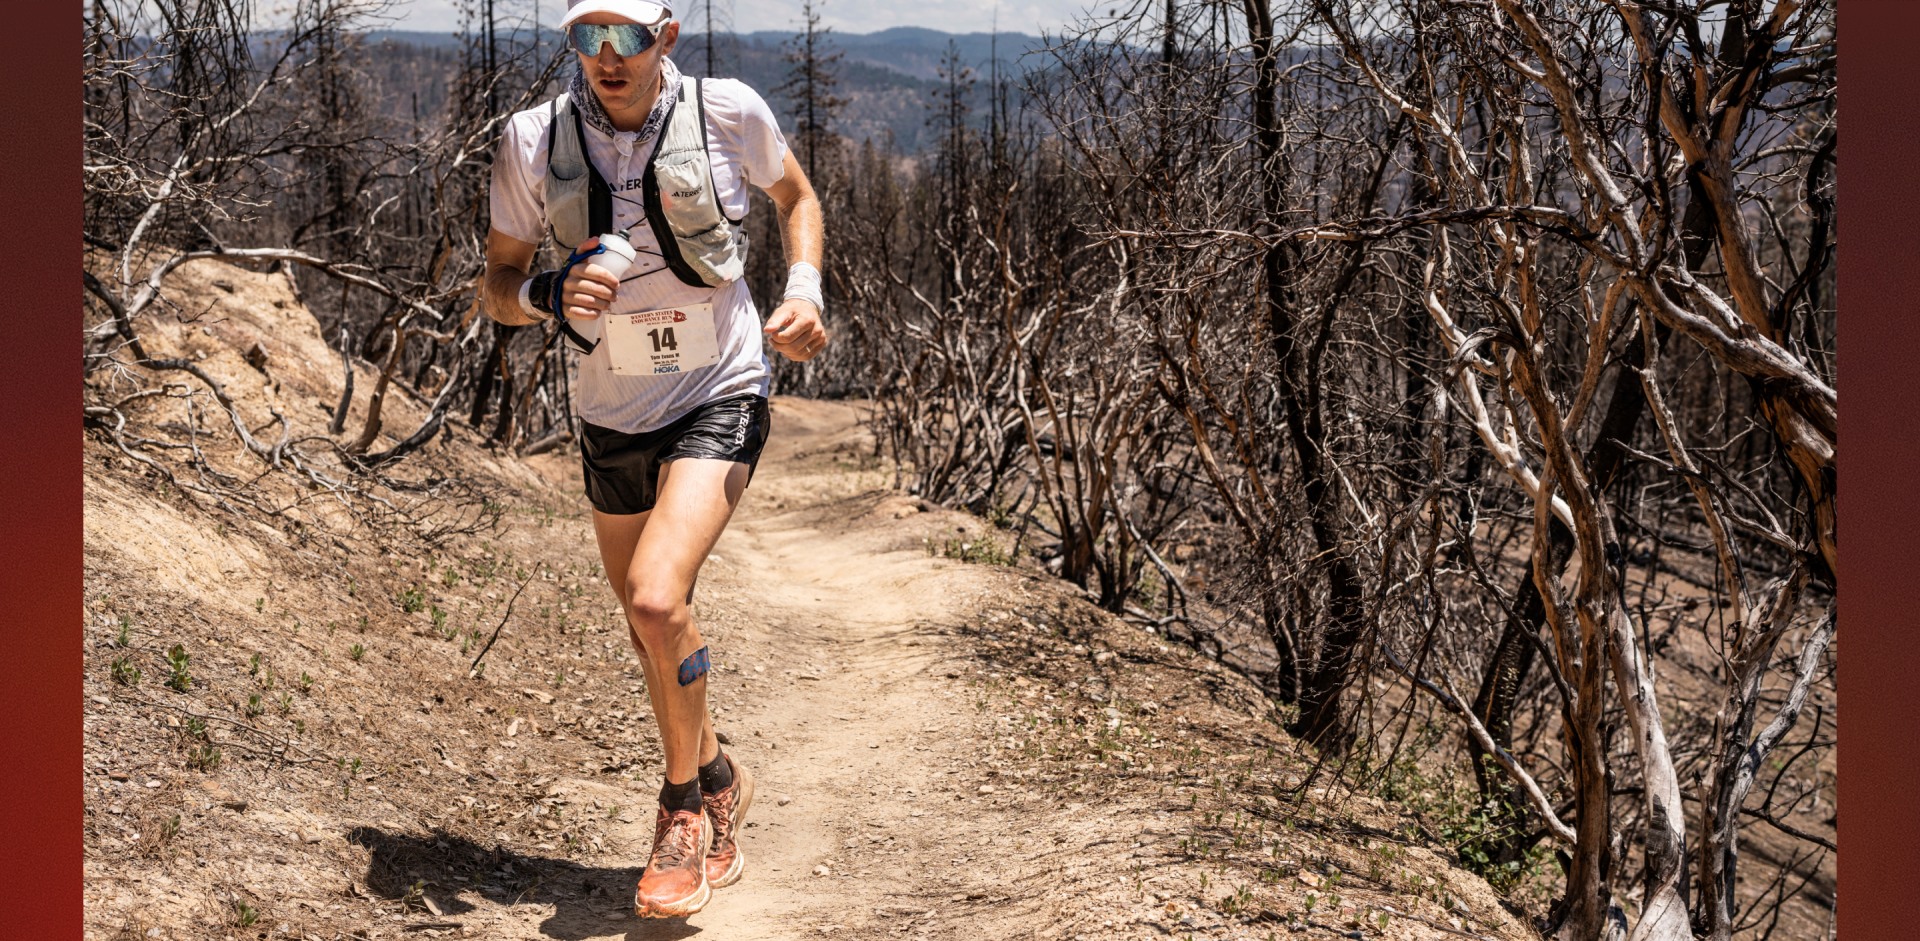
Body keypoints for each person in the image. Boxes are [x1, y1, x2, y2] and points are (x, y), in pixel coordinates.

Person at [479, 0, 827, 918]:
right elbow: (496, 283)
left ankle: (682, 817)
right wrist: (549, 291)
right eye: (585, 38)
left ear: (664, 37)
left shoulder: (726, 112)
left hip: (719, 385)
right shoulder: (530, 141)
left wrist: (804, 289)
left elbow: (797, 198)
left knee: (657, 594)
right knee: (650, 627)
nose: (606, 56)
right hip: (610, 408)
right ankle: (717, 774)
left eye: (625, 36)